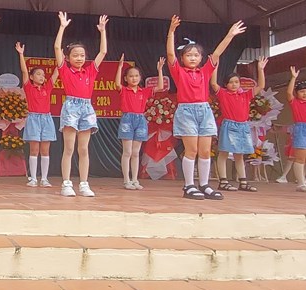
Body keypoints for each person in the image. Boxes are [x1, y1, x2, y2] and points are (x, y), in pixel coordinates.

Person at [165, 15, 246, 201]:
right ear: (182, 58)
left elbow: (217, 53)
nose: (192, 57)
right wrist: (171, 31)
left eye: (196, 55)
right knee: (191, 150)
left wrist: (230, 35)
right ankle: (189, 185)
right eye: (188, 55)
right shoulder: (178, 71)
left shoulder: (205, 71)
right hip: (187, 111)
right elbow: (170, 55)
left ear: (201, 58)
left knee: (205, 151)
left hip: (204, 111)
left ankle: (204, 185)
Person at [54, 12, 109, 198]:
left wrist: (102, 31)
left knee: (84, 149)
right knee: (69, 148)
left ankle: (84, 184)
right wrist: (62, 27)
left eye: (82, 55)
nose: (79, 58)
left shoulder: (90, 71)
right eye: (75, 55)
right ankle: (66, 184)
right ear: (68, 57)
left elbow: (103, 52)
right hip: (71, 106)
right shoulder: (65, 70)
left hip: (87, 108)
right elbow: (56, 47)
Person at [211, 57, 269, 193]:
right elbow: (213, 83)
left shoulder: (246, 95)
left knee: (239, 154)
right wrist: (215, 68)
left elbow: (261, 86)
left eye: (236, 82)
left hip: (243, 126)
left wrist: (260, 69)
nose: (234, 85)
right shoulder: (223, 94)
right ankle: (223, 181)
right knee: (224, 153)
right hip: (229, 125)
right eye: (231, 82)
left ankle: (243, 181)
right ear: (226, 85)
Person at [113, 55, 165, 191]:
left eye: (136, 76)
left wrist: (160, 70)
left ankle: (135, 179)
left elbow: (160, 87)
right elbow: (117, 84)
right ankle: (126, 180)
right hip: (127, 119)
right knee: (127, 152)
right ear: (126, 78)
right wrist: (119, 67)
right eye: (131, 76)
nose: (134, 78)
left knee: (136, 153)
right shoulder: (124, 90)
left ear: (140, 78)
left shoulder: (144, 91)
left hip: (140, 120)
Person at [16, 42, 59, 188]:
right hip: (33, 118)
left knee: (45, 150)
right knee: (34, 150)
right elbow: (24, 71)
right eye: (38, 74)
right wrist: (21, 54)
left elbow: (56, 73)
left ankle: (44, 179)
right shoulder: (29, 87)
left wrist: (61, 58)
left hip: (46, 119)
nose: (42, 77)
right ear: (32, 77)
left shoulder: (48, 87)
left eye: (43, 75)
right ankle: (33, 178)